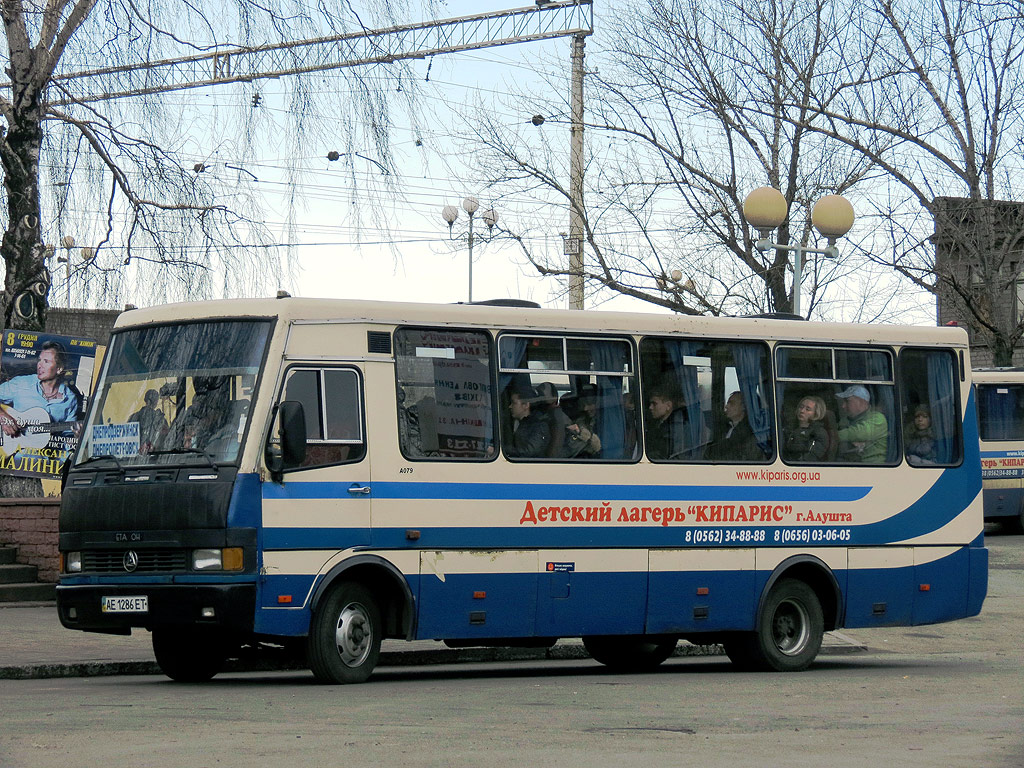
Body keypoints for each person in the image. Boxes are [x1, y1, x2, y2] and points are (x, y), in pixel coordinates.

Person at [0, 341, 81, 442]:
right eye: (39, 360)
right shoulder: (21, 383)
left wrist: (76, 438)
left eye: (46, 361)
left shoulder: (70, 399)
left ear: (59, 368)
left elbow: (67, 438)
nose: (39, 365)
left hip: (47, 456)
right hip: (13, 453)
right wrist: (3, 417)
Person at [836, 385, 889, 463]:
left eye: (847, 401)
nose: (843, 406)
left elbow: (856, 434)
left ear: (861, 402)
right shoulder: (847, 420)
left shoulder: (877, 419)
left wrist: (832, 436)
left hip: (873, 468)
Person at [705, 390, 762, 462]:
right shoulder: (724, 427)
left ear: (744, 407)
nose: (726, 406)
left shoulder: (749, 433)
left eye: (731, 403)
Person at [645, 383, 688, 460]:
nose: (650, 407)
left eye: (654, 404)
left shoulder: (674, 427)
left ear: (668, 405)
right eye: (650, 404)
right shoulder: (657, 424)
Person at [506, 386, 550, 458]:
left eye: (514, 403)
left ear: (526, 405)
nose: (510, 406)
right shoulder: (521, 423)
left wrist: (503, 450)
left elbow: (529, 451)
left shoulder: (539, 425)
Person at [782, 395, 829, 462]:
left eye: (808, 409)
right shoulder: (789, 428)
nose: (802, 411)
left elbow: (810, 458)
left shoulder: (819, 433)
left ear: (816, 413)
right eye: (801, 407)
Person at [128, 388, 168, 453]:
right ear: (156, 402)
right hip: (155, 458)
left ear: (145, 399)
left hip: (133, 458)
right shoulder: (161, 420)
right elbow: (166, 441)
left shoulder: (133, 417)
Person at [568, 384, 602, 457]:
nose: (585, 408)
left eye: (590, 403)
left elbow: (597, 448)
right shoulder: (580, 420)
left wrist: (583, 433)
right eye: (583, 404)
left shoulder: (606, 421)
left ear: (599, 403)